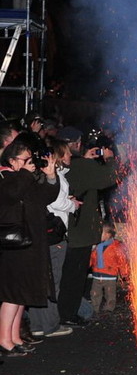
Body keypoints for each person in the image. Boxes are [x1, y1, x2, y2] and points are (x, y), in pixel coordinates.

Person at [0, 139, 59, 357]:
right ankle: (4, 340)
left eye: (30, 159)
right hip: (14, 246)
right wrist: (26, 173)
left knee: (21, 295)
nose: (30, 164)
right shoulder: (5, 177)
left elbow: (44, 197)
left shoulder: (23, 178)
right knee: (12, 295)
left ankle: (14, 337)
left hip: (29, 244)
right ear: (12, 160)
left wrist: (51, 177)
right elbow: (12, 195)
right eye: (25, 159)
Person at [56, 126, 119, 326]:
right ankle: (68, 314)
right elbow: (111, 177)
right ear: (76, 144)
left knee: (68, 274)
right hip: (79, 230)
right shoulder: (80, 166)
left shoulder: (68, 165)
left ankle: (66, 312)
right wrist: (109, 158)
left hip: (68, 229)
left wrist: (85, 160)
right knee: (74, 276)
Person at [27, 138, 78, 338]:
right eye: (66, 152)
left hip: (43, 235)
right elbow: (56, 202)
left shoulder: (40, 175)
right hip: (53, 236)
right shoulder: (51, 176)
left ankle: (38, 324)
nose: (71, 155)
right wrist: (73, 205)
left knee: (40, 281)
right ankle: (50, 325)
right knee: (52, 281)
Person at [89, 222, 129, 314]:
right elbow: (92, 257)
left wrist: (124, 272)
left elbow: (121, 260)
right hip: (97, 274)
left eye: (100, 232)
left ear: (107, 235)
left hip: (110, 275)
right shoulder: (97, 246)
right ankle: (95, 307)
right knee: (95, 293)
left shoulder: (115, 246)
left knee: (110, 293)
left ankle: (109, 307)